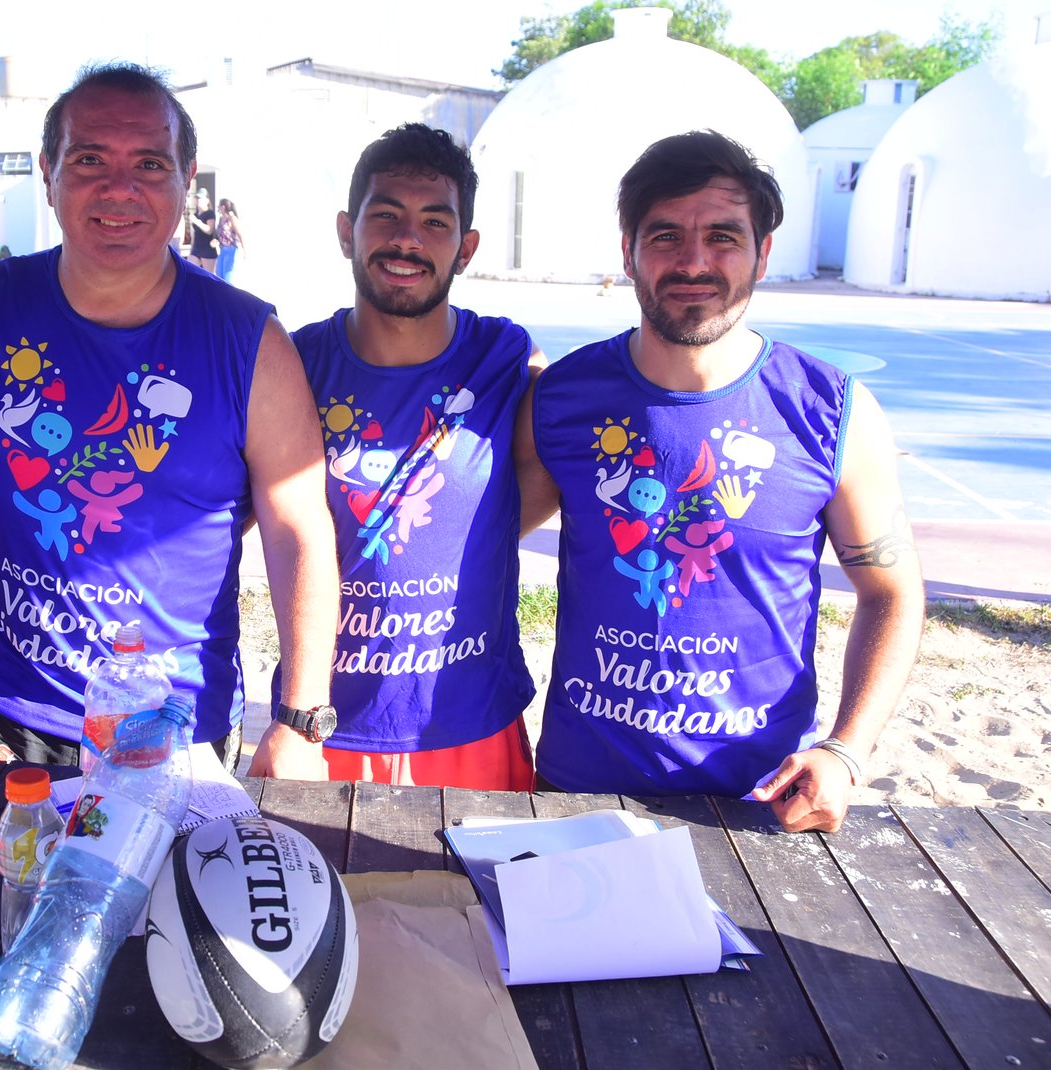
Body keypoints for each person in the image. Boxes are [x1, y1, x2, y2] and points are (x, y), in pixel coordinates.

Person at [0, 62, 338, 777]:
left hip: (169, 726)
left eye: (149, 163)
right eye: (89, 160)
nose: (120, 188)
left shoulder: (250, 341)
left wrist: (301, 720)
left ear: (186, 178)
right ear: (48, 173)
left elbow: (298, 525)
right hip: (2, 715)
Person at [522, 130, 924, 832]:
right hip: (579, 785)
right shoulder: (559, 399)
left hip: (763, 797)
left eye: (723, 237)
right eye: (666, 236)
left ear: (762, 253)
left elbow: (892, 593)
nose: (694, 261)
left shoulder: (832, 411)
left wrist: (846, 750)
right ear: (628, 251)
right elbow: (470, 543)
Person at [284, 123, 545, 791]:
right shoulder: (293, 365)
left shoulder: (506, 358)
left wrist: (466, 537)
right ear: (346, 231)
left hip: (470, 724)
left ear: (466, 247)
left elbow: (550, 472)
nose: (408, 239)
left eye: (435, 221)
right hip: (325, 726)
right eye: (386, 215)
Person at [185, 186, 217, 271]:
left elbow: (209, 230)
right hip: (196, 248)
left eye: (200, 198)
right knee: (189, 270)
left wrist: (197, 222)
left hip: (207, 249)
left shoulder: (209, 213)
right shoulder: (195, 215)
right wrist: (191, 250)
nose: (198, 200)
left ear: (207, 200)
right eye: (197, 198)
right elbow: (194, 234)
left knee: (209, 275)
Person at [214, 197, 244, 284]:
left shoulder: (231, 219)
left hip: (231, 249)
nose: (218, 208)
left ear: (223, 207)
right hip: (222, 249)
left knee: (228, 275)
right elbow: (221, 234)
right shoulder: (221, 219)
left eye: (219, 206)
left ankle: (229, 291)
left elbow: (240, 234)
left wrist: (244, 250)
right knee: (219, 274)